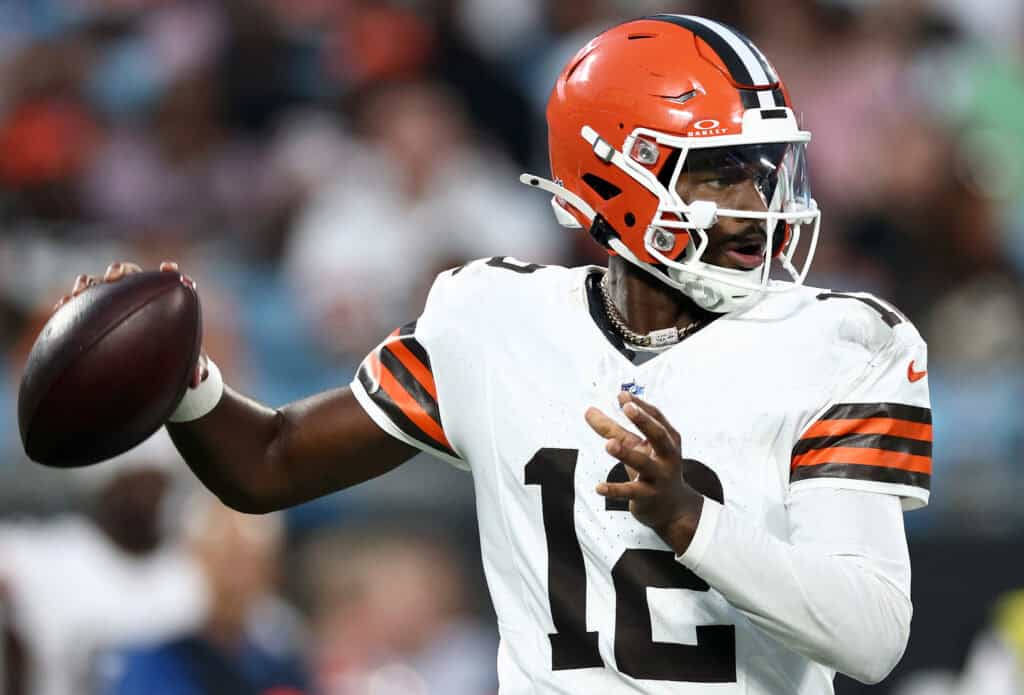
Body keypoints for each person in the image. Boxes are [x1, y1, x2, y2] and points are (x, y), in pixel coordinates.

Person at [61, 14, 931, 694]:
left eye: (766, 168)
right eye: (721, 170)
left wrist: (687, 518)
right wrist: (182, 380)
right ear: (616, 178)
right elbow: (270, 461)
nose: (758, 201)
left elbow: (871, 634)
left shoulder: (841, 344)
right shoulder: (495, 319)